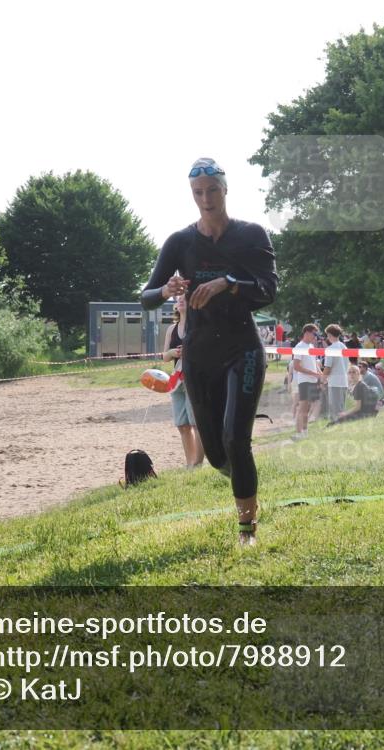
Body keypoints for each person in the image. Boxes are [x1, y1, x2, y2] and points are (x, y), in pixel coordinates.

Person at [141, 157, 277, 546]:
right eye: (198, 193)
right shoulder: (179, 242)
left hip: (242, 349)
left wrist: (228, 283)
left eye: (212, 190)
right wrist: (166, 291)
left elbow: (267, 290)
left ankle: (246, 530)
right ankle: (242, 480)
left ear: (225, 190)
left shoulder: (252, 235)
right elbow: (146, 298)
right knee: (218, 456)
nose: (206, 199)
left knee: (237, 438)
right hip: (198, 356)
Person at [162, 297, 205, 467]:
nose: (180, 301)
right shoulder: (171, 329)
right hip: (176, 381)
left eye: (184, 299)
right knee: (182, 425)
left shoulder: (198, 327)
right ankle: (189, 464)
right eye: (178, 299)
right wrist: (172, 352)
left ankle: (198, 463)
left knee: (195, 423)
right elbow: (164, 356)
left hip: (194, 380)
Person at [292, 324, 323, 439]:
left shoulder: (311, 346)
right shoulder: (299, 346)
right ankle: (298, 433)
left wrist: (320, 374)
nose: (315, 337)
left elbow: (315, 363)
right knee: (303, 408)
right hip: (305, 381)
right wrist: (314, 373)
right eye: (314, 334)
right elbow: (296, 366)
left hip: (313, 380)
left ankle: (304, 432)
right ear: (307, 333)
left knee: (308, 408)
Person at [322, 324, 349, 421]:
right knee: (341, 408)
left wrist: (322, 379)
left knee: (335, 410)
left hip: (335, 382)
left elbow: (328, 367)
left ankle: (336, 426)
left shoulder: (330, 349)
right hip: (344, 381)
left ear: (329, 334)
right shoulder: (344, 346)